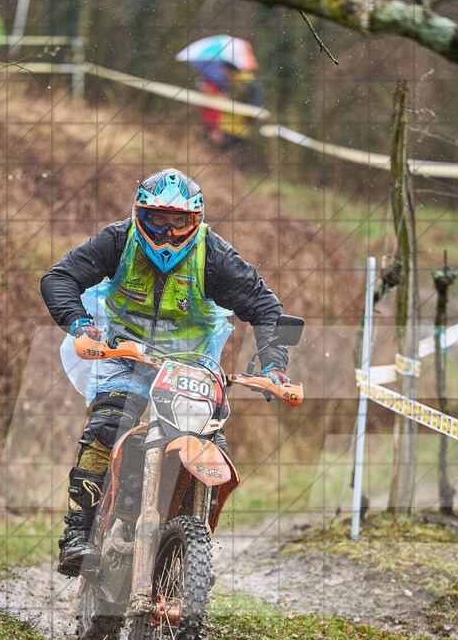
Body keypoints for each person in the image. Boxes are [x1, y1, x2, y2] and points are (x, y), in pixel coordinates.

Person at [41, 168, 292, 577]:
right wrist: (79, 324)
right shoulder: (118, 240)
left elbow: (265, 307)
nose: (168, 231)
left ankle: (194, 552)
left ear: (197, 221)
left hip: (192, 366)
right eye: (158, 219)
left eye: (180, 222)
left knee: (214, 452)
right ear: (140, 213)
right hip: (125, 356)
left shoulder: (214, 255)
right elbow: (60, 277)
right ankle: (77, 535)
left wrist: (274, 364)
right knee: (108, 424)